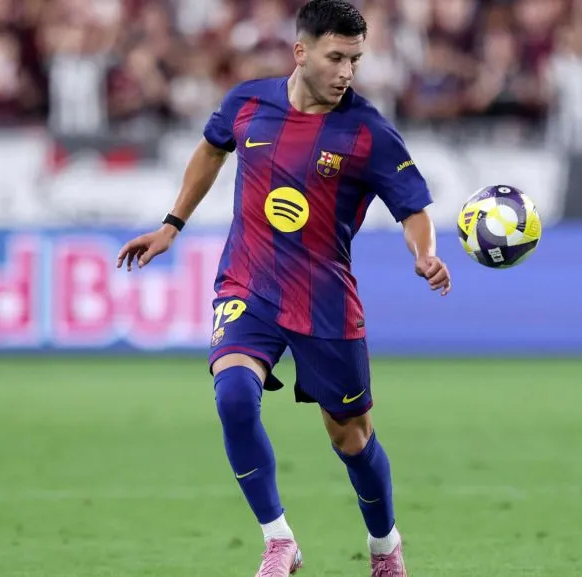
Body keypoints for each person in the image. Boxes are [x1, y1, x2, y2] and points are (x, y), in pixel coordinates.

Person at [115, 1, 451, 575]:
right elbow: (210, 148)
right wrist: (173, 224)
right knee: (235, 397)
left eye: (356, 60)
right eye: (337, 57)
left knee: (351, 438)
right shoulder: (247, 102)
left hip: (323, 300)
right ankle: (279, 539)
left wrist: (425, 255)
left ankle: (384, 546)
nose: (348, 71)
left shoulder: (368, 131)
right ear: (301, 51)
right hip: (248, 282)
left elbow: (413, 208)